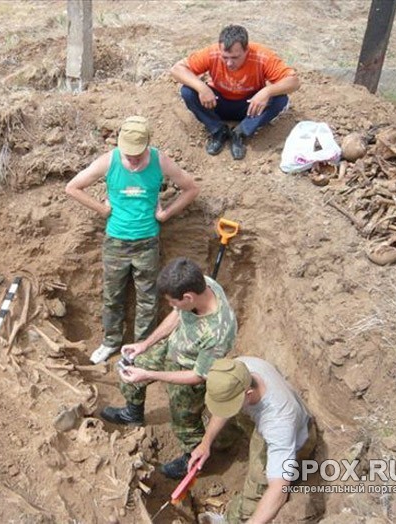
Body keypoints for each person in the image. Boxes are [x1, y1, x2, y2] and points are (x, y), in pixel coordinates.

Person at [66, 117, 199, 364]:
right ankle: (110, 342)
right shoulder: (109, 161)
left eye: (137, 154)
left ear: (147, 145)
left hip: (147, 241)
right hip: (116, 241)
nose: (132, 159)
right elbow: (72, 187)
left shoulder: (159, 161)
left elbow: (191, 188)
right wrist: (102, 210)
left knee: (148, 298)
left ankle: (141, 348)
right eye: (128, 154)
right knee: (113, 295)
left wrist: (165, 213)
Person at [100, 257, 237, 479]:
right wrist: (144, 345)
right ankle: (132, 414)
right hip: (174, 345)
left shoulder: (218, 332)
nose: (172, 307)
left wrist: (149, 375)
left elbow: (199, 375)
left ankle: (193, 458)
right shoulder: (202, 284)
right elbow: (177, 315)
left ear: (188, 297)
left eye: (174, 302)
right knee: (134, 365)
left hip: (189, 369)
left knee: (185, 422)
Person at [188, 358, 317, 524]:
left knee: (256, 490)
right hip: (265, 418)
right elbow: (224, 405)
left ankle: (235, 519)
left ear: (248, 393)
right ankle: (224, 447)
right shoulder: (238, 370)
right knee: (215, 414)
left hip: (296, 439)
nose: (225, 409)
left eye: (231, 404)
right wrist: (206, 443)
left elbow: (279, 489)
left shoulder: (278, 423)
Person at [171, 24, 300, 160]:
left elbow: (294, 81)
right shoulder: (212, 53)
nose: (229, 63)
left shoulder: (262, 56)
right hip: (217, 102)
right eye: (225, 57)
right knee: (188, 91)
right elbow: (176, 69)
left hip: (250, 106)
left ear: (246, 50)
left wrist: (267, 91)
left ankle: (240, 133)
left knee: (280, 99)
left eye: (235, 57)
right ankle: (218, 130)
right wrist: (201, 87)